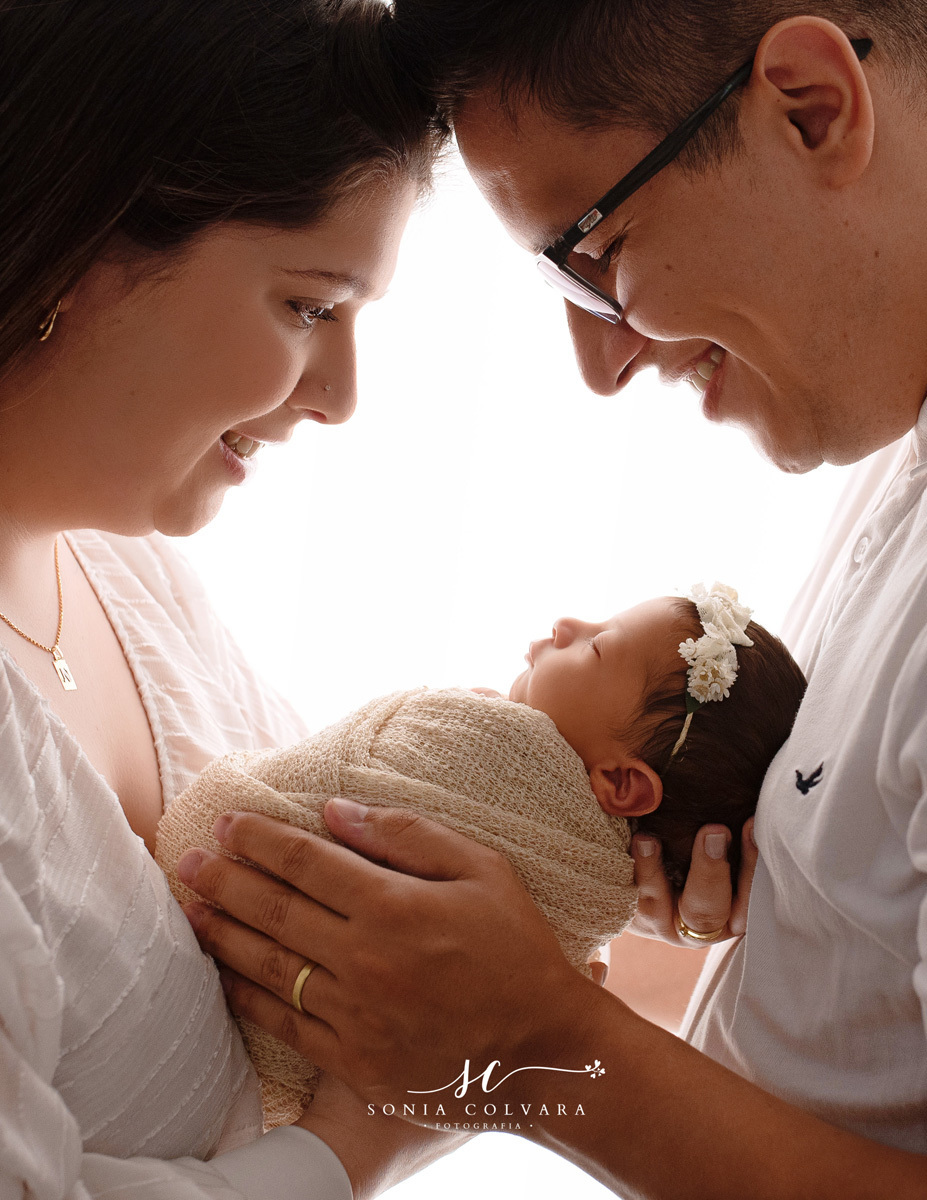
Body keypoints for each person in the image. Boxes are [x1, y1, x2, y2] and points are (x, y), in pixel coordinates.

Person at [178, 5, 927, 1198]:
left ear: (808, 108)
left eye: (595, 253)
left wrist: (539, 1048)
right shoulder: (888, 460)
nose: (600, 361)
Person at [0, 1, 463, 1197]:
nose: (342, 395)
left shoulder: (129, 574)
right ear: (83, 237)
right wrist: (354, 1152)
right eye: (310, 306)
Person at [160, 586, 804, 1127]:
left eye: (597, 645)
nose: (567, 625)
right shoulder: (604, 885)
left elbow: (336, 792)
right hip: (269, 1094)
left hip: (200, 931)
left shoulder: (499, 758)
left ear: (621, 785)